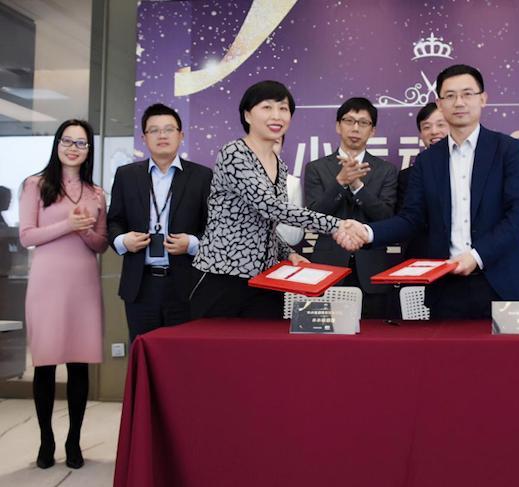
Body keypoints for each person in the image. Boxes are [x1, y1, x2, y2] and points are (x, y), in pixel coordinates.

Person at [337, 64, 519, 319]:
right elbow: (411, 218)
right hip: (446, 286)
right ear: (440, 104)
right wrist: (367, 232)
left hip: (502, 284)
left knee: (508, 349)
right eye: (450, 96)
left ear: (483, 99)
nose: (459, 102)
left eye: (467, 94)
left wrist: (477, 256)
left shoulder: (508, 149)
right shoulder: (428, 160)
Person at [190, 80, 351, 318]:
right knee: (215, 342)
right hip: (222, 275)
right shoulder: (234, 153)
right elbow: (271, 207)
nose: (277, 115)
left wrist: (288, 253)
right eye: (267, 107)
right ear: (247, 115)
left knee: (267, 340)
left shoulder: (280, 166)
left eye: (283, 108)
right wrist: (337, 225)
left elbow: (266, 225)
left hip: (266, 278)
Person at [18, 119, 108, 469]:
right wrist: (67, 225)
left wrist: (83, 231)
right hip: (46, 284)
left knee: (79, 365)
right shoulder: (35, 185)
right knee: (44, 364)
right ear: (57, 145)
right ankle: (46, 440)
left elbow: (100, 244)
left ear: (89, 150)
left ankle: (73, 441)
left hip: (83, 285)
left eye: (81, 143)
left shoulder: (96, 192)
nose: (73, 148)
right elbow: (27, 236)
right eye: (67, 141)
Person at [107, 103, 212, 342]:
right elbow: (114, 221)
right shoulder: (126, 175)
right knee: (144, 353)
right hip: (140, 286)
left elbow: (215, 229)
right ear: (144, 138)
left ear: (181, 135)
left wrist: (192, 244)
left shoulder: (202, 176)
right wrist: (123, 241)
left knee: (184, 356)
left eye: (168, 129)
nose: (162, 135)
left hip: (185, 285)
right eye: (154, 130)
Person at [304, 97, 398, 318]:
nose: (355, 128)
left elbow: (386, 217)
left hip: (373, 268)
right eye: (349, 121)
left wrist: (357, 187)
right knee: (325, 335)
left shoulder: (386, 170)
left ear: (372, 131)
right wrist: (340, 182)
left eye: (363, 123)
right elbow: (314, 217)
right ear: (338, 126)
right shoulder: (316, 168)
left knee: (375, 335)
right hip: (328, 267)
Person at [396, 102, 449, 259]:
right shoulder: (407, 176)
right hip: (421, 257)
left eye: (441, 124)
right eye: (426, 127)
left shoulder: (470, 168)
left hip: (466, 260)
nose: (434, 131)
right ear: (420, 134)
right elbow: (405, 220)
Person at [273, 136, 305, 246]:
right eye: (264, 141)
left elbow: (295, 237)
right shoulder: (240, 179)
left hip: (279, 252)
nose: (269, 146)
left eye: (275, 142)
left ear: (281, 146)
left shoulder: (292, 183)